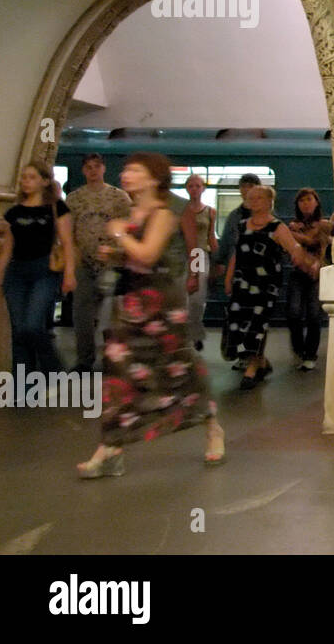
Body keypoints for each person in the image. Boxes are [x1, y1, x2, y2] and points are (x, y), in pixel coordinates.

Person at [75, 152, 225, 478]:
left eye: (135, 170)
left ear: (153, 178)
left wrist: (118, 235)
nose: (126, 175)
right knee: (118, 372)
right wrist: (114, 253)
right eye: (126, 169)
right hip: (129, 303)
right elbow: (131, 257)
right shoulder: (130, 212)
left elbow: (148, 254)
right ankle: (110, 448)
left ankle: (212, 426)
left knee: (179, 369)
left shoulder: (163, 214)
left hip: (160, 303)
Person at [223, 185, 319, 390]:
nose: (254, 201)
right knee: (239, 322)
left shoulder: (277, 227)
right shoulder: (241, 225)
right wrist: (229, 277)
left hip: (266, 284)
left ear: (269, 202)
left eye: (259, 198)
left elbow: (294, 249)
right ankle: (261, 363)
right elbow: (236, 253)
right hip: (243, 281)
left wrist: (308, 264)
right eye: (251, 198)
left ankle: (251, 368)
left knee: (257, 324)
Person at [0, 161, 76, 372]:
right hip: (16, 272)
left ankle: (53, 367)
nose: (26, 182)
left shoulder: (56, 207)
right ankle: (22, 383)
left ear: (44, 181)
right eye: (24, 177)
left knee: (33, 325)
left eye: (32, 177)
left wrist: (70, 274)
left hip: (44, 270)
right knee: (19, 329)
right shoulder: (13, 212)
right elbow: (8, 248)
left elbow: (67, 242)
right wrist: (0, 275)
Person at [66, 154, 131, 372]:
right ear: (84, 171)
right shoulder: (74, 199)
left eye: (96, 167)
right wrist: (72, 261)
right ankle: (84, 359)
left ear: (103, 169)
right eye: (88, 167)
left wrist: (118, 251)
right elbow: (69, 232)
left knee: (110, 315)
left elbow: (127, 228)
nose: (93, 171)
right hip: (83, 261)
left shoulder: (119, 197)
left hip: (110, 262)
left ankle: (111, 358)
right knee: (82, 313)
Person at [215, 172, 260, 368]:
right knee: (239, 316)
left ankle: (254, 358)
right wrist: (220, 266)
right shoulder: (234, 216)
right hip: (238, 272)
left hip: (259, 274)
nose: (246, 190)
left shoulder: (265, 216)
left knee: (255, 317)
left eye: (250, 186)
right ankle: (243, 355)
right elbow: (226, 244)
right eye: (243, 186)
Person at [285, 188, 333, 370]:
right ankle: (299, 349)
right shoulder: (291, 226)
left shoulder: (324, 225)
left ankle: (310, 354)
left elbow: (318, 243)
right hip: (298, 272)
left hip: (317, 274)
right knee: (293, 312)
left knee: (314, 315)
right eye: (301, 200)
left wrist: (295, 235)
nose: (306, 203)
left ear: (316, 202)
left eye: (309, 199)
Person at [178, 174, 218, 354]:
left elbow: (211, 236)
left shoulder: (210, 211)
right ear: (186, 188)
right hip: (183, 256)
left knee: (197, 299)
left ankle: (195, 332)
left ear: (203, 189)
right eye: (191, 186)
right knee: (182, 299)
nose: (194, 189)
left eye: (198, 186)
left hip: (200, 255)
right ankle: (185, 336)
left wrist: (218, 259)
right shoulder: (180, 210)